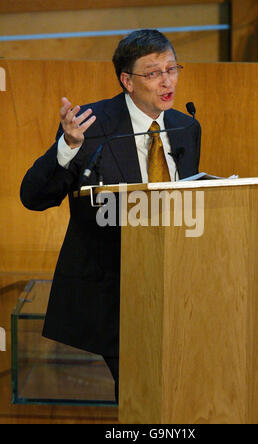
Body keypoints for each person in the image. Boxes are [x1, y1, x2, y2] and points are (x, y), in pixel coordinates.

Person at [20, 29, 201, 403]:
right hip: (112, 289)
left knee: (176, 387)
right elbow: (34, 197)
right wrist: (67, 147)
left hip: (174, 286)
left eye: (172, 68)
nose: (167, 81)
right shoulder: (90, 124)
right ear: (127, 81)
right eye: (153, 73)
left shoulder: (187, 128)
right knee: (142, 392)